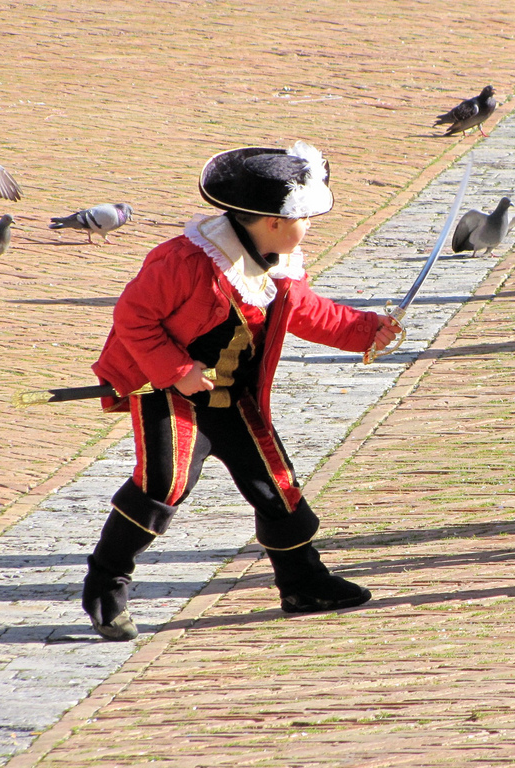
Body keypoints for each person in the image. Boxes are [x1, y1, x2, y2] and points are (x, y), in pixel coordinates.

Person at [81, 141, 400, 641]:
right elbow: (133, 319)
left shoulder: (279, 259)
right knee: (164, 483)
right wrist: (178, 368)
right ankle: (105, 582)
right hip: (167, 387)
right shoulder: (182, 261)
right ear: (271, 221)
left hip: (233, 395)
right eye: (305, 218)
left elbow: (310, 312)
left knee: (277, 485)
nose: (310, 227)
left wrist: (365, 328)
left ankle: (302, 583)